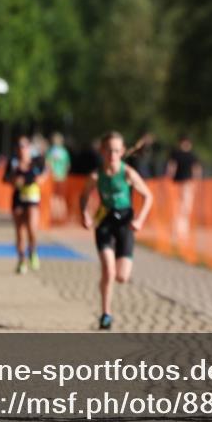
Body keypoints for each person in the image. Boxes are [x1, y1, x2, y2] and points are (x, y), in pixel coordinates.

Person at [81, 131, 153, 330]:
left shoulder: (128, 173)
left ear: (121, 152)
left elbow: (148, 196)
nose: (112, 154)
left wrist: (140, 219)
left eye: (115, 150)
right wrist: (85, 214)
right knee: (109, 271)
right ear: (102, 151)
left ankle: (109, 294)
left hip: (125, 225)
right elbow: (84, 196)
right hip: (104, 222)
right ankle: (106, 314)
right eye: (108, 150)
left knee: (122, 276)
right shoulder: (96, 175)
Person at [5, 136, 46, 274]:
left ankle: (33, 252)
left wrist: (41, 179)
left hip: (33, 199)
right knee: (20, 233)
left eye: (24, 146)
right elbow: (5, 179)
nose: (21, 149)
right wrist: (14, 181)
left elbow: (46, 171)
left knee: (32, 229)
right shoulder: (13, 162)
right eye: (19, 146)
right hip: (18, 199)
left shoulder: (36, 161)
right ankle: (21, 260)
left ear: (29, 147)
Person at [165, 135, 203, 243]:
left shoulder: (189, 155)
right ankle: (177, 232)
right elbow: (172, 168)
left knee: (183, 209)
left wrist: (196, 182)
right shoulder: (179, 154)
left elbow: (196, 170)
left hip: (186, 184)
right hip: (179, 184)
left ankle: (181, 232)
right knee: (180, 208)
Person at [46, 132, 72, 222]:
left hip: (53, 178)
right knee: (61, 198)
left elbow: (48, 164)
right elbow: (68, 165)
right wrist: (64, 173)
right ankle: (62, 217)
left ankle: (54, 217)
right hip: (63, 177)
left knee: (53, 197)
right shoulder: (64, 151)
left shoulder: (50, 151)